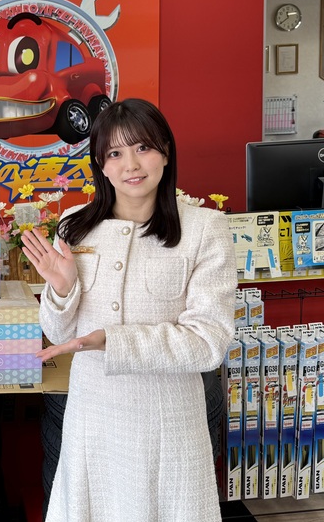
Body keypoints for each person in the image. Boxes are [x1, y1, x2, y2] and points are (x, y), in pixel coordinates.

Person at [21, 98, 236, 521]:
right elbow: (59, 334)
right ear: (101, 165)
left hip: (169, 421)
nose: (131, 165)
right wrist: (62, 290)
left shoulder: (205, 230)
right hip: (93, 415)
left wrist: (112, 340)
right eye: (115, 153)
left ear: (165, 152)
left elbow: (208, 342)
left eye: (143, 148)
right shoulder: (75, 226)